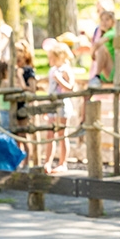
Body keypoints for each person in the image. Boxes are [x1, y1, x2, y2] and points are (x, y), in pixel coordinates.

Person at [44, 40, 76, 175]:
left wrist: (60, 80)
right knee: (50, 134)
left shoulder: (65, 70)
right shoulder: (52, 70)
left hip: (62, 104)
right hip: (52, 105)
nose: (50, 60)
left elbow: (70, 88)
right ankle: (48, 162)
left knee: (62, 134)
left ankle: (63, 163)